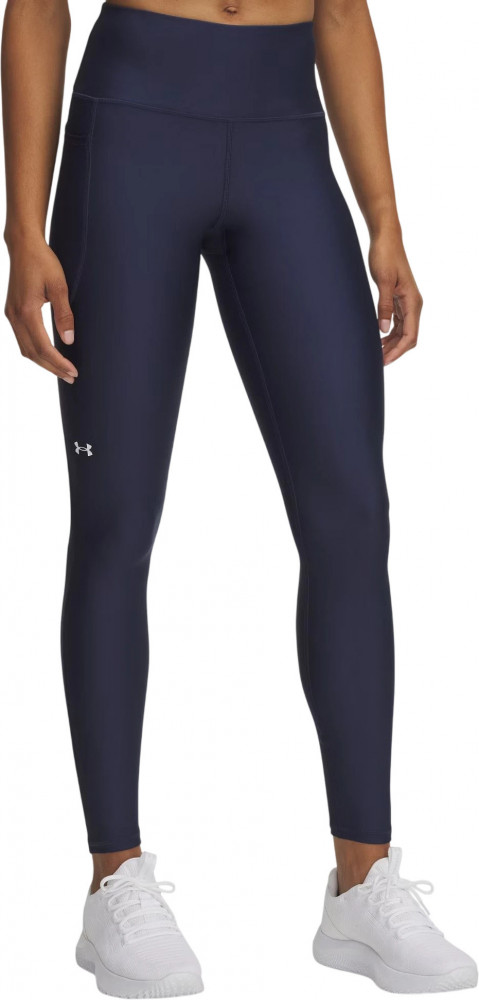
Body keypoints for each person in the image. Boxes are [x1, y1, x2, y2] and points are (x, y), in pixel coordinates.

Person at [2, 0, 477, 996]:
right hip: (132, 128)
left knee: (351, 515)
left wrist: (384, 218)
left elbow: (341, 11)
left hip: (284, 137)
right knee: (116, 519)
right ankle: (114, 881)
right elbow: (36, 7)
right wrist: (24, 229)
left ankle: (361, 885)